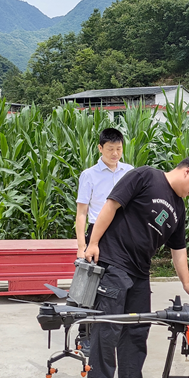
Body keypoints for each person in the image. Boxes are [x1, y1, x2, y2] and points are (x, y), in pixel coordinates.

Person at [83, 156, 189, 378]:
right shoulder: (146, 176)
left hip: (140, 271)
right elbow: (111, 205)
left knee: (137, 329)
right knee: (107, 328)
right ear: (188, 172)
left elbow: (178, 249)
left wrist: (186, 283)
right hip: (114, 261)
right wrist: (93, 243)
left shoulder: (179, 207)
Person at [74, 127, 133, 355]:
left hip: (123, 235)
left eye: (119, 149)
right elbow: (81, 212)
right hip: (97, 235)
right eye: (110, 149)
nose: (115, 154)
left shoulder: (129, 172)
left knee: (119, 285)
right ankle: (85, 335)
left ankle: (114, 333)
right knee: (91, 286)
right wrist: (82, 246)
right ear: (100, 148)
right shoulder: (89, 175)